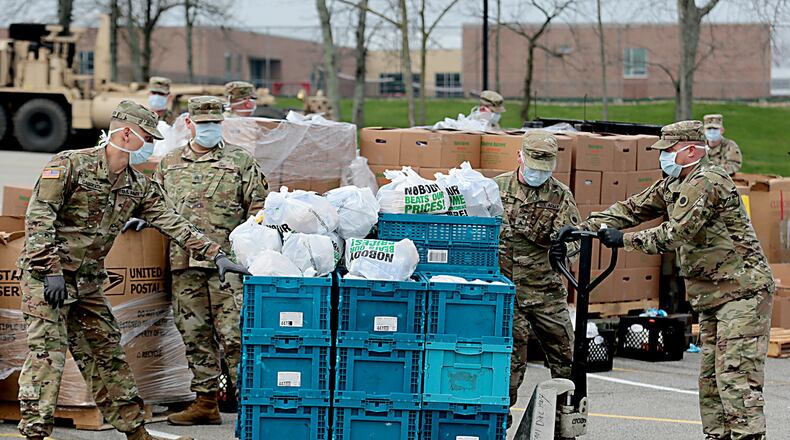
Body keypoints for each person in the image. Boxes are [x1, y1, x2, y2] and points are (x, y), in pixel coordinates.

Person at [16, 100, 248, 440]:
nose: (151, 145)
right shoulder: (70, 165)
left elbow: (173, 222)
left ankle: (135, 431)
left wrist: (216, 255)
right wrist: (50, 269)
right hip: (46, 278)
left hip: (88, 282)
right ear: (125, 133)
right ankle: (35, 432)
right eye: (146, 137)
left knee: (108, 353)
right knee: (47, 354)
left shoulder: (137, 185)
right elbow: (39, 218)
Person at [565, 120, 774, 440]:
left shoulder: (707, 181)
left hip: (742, 292)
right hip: (714, 295)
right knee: (710, 380)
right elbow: (634, 207)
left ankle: (748, 436)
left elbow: (676, 233)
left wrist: (625, 241)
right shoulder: (675, 183)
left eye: (669, 151)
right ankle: (718, 435)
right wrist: (586, 228)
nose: (663, 158)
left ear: (691, 151)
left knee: (735, 377)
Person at [142, 96, 267, 426]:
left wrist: (248, 251)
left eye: (214, 123)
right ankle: (205, 403)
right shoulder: (169, 164)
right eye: (203, 123)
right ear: (189, 124)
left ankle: (251, 406)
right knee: (194, 334)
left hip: (228, 266)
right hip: (184, 265)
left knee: (236, 336)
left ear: (221, 124)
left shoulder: (240, 161)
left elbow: (260, 211)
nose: (209, 128)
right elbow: (153, 206)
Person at [494, 130, 580, 426]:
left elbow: (576, 239)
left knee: (566, 356)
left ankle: (565, 420)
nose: (538, 173)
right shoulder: (496, 189)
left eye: (545, 168)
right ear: (519, 156)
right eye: (533, 165)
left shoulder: (560, 196)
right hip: (507, 293)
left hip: (545, 291)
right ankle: (497, 422)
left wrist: (564, 247)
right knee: (509, 361)